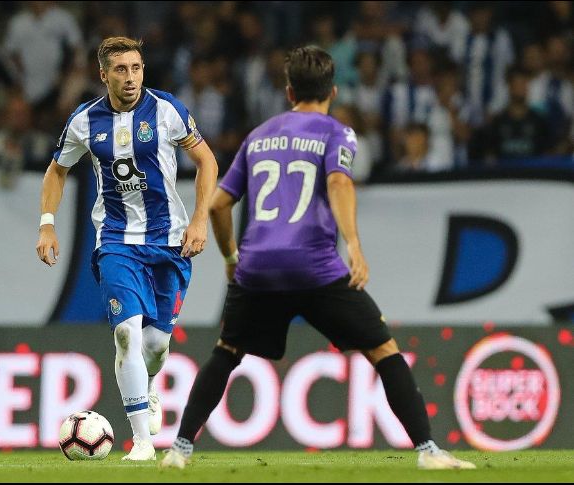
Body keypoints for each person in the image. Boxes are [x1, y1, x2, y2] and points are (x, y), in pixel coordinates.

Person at [160, 45, 475, 471]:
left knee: (227, 351)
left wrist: (232, 257)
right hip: (315, 266)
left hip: (258, 269)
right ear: (334, 91)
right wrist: (355, 246)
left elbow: (218, 204)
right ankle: (428, 452)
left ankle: (178, 451)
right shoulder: (336, 132)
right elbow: (341, 184)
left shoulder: (258, 136)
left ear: (289, 92)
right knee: (384, 351)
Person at [35, 37, 218, 461]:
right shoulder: (84, 121)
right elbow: (56, 171)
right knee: (125, 334)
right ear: (104, 75)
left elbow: (207, 162)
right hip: (116, 241)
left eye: (136, 68)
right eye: (120, 69)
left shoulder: (167, 110)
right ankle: (142, 442)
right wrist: (47, 226)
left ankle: (149, 388)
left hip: (170, 242)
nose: (131, 77)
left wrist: (200, 219)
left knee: (155, 345)